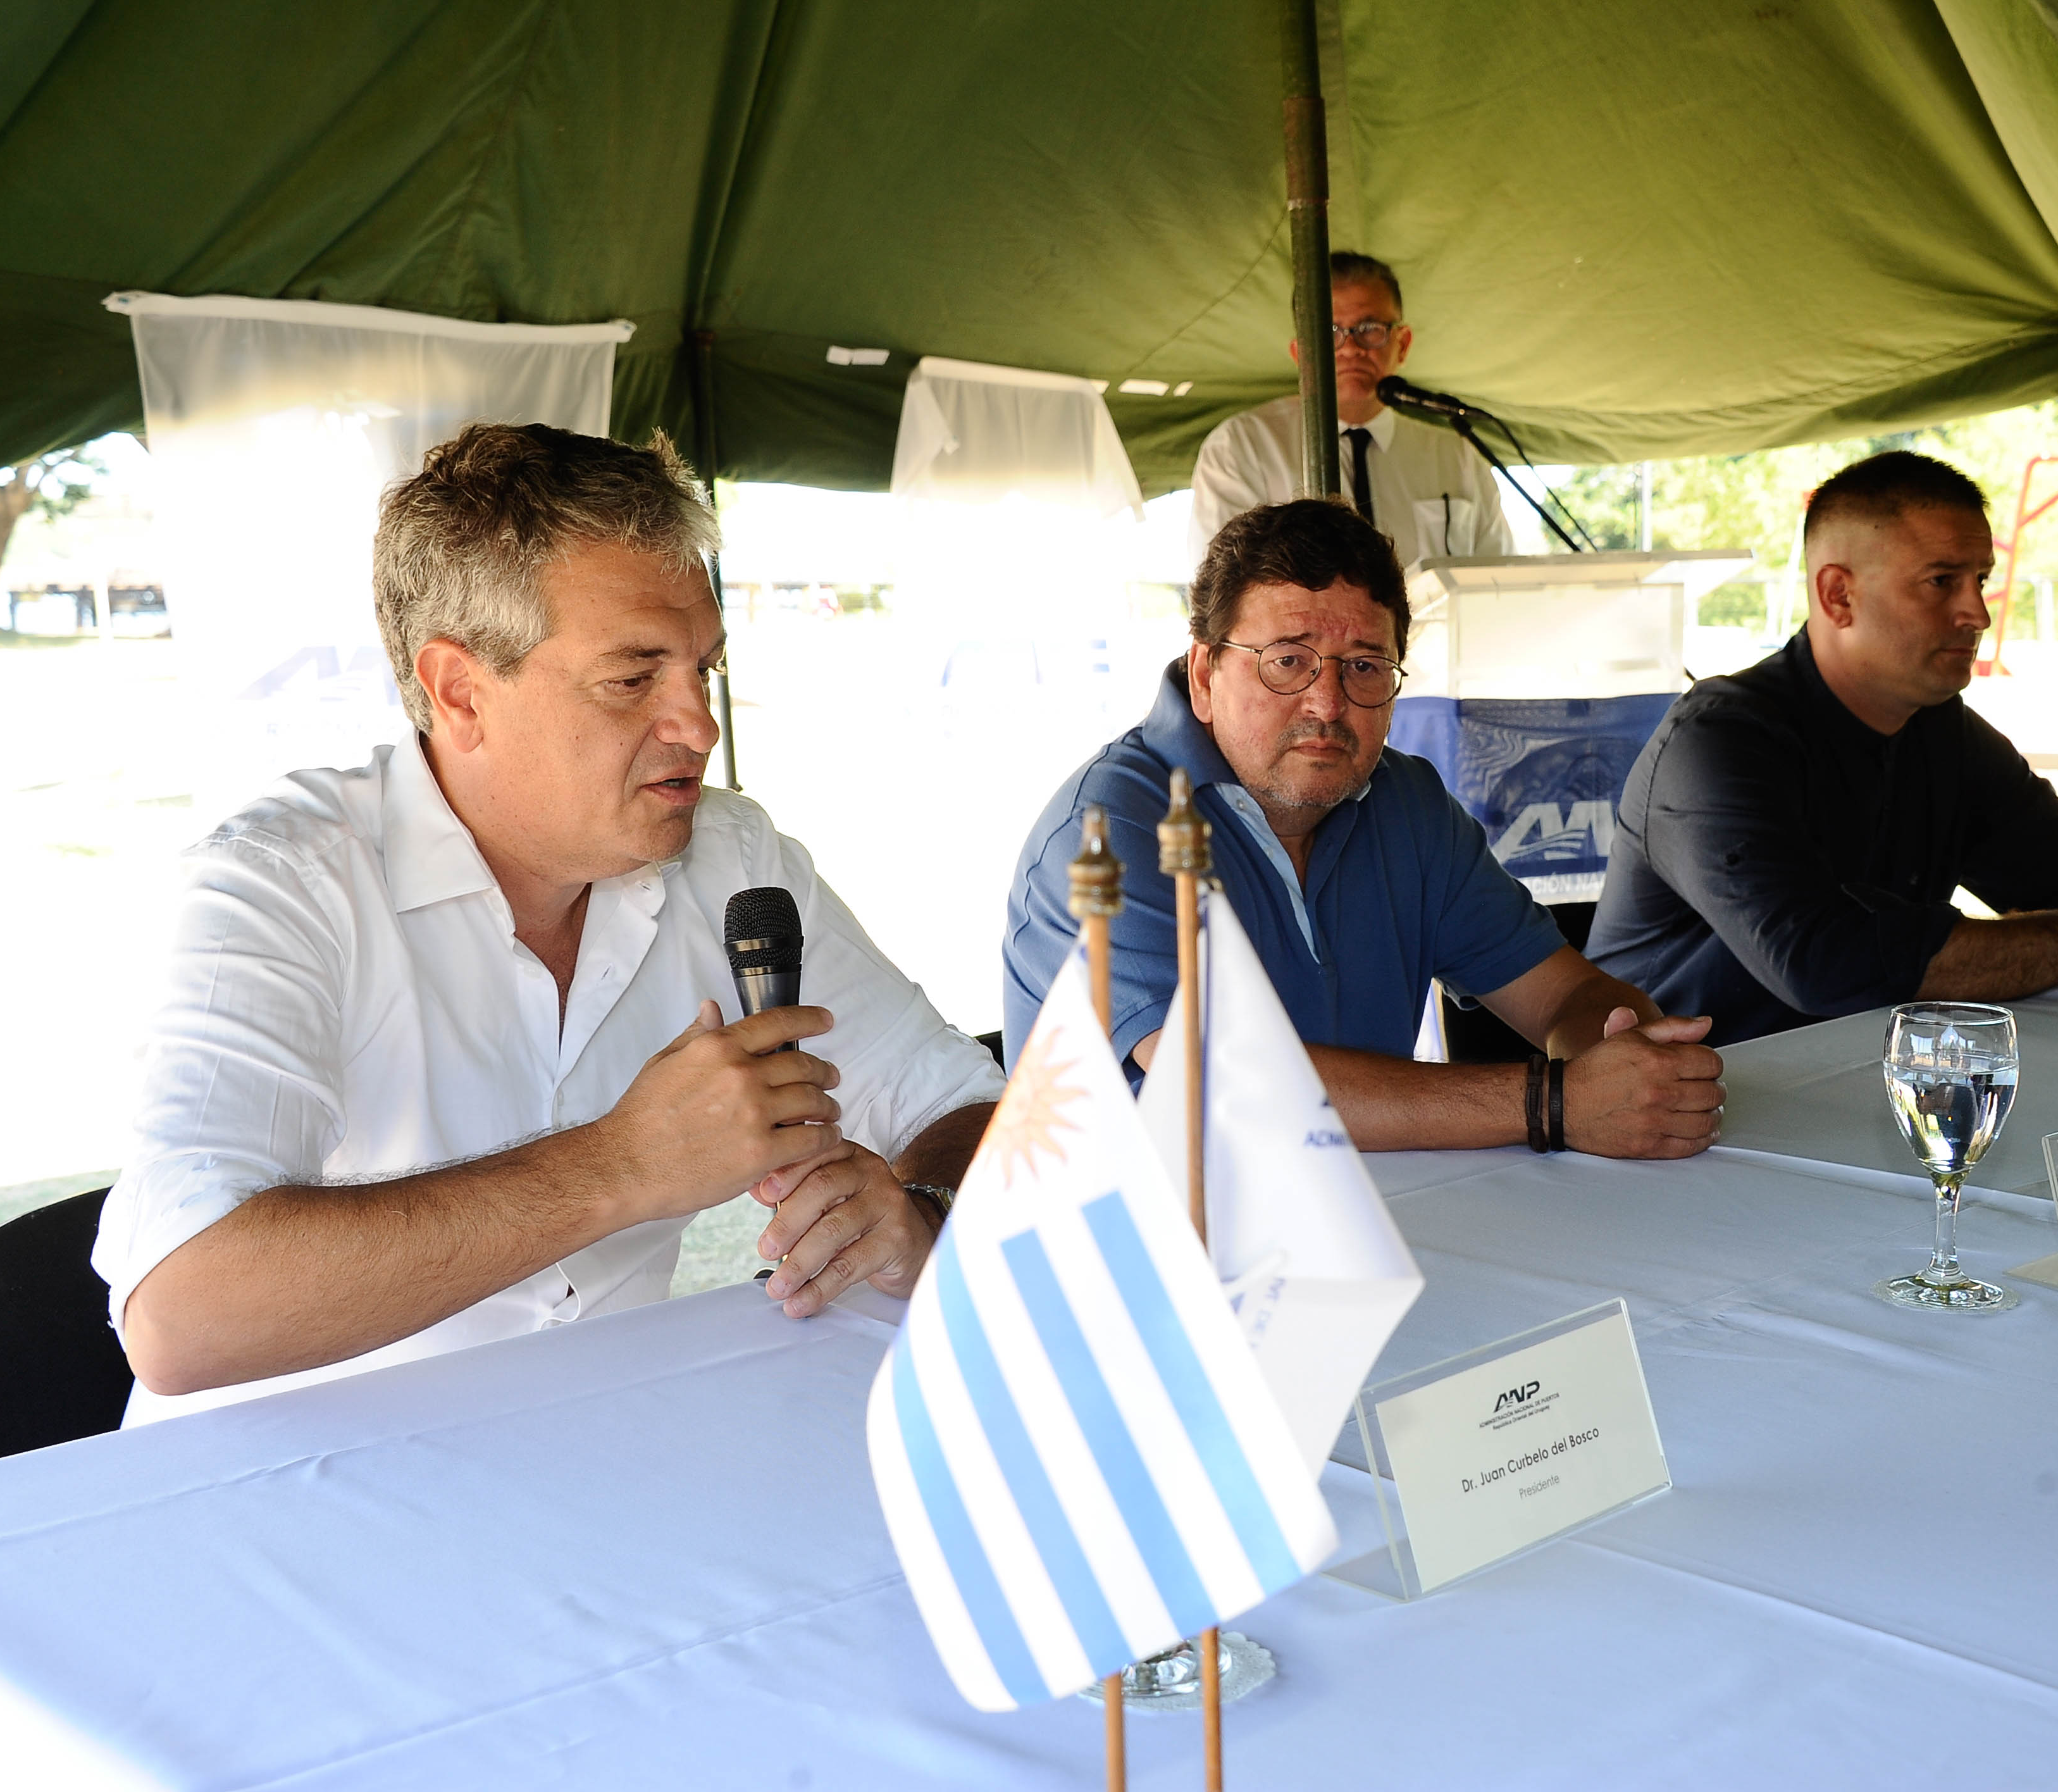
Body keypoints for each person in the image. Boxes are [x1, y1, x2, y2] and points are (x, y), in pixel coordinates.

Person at [94, 424, 1003, 1422]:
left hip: (593, 1477)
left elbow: (970, 1109)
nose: (697, 726)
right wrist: (622, 1166)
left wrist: (919, 1209)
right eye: (632, 679)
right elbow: (183, 1314)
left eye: (705, 669)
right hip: (272, 1515)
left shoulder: (732, 856)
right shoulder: (282, 884)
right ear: (460, 691)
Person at [1007, 498, 1723, 1158]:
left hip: (1367, 1221)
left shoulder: (1403, 801)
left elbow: (1561, 996)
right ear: (1203, 675)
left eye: (1363, 666)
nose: (1326, 702)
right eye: (1287, 660)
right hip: (1140, 1257)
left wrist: (1630, 1053)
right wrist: (1555, 1102)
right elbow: (1223, 1080)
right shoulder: (1105, 830)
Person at [1586, 449, 2058, 1046]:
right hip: (1679, 1116)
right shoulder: (1719, 742)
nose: (1974, 611)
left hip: (1845, 1089)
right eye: (1940, 581)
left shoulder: (1938, 731)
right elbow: (1822, 962)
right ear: (1837, 596)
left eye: (1978, 579)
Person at [1187, 251, 1513, 573]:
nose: (1351, 348)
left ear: (1403, 343)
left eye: (1369, 328)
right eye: (1330, 332)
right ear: (1300, 353)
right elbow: (1218, 593)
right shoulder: (1241, 448)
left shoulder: (1457, 456)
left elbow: (1500, 582)